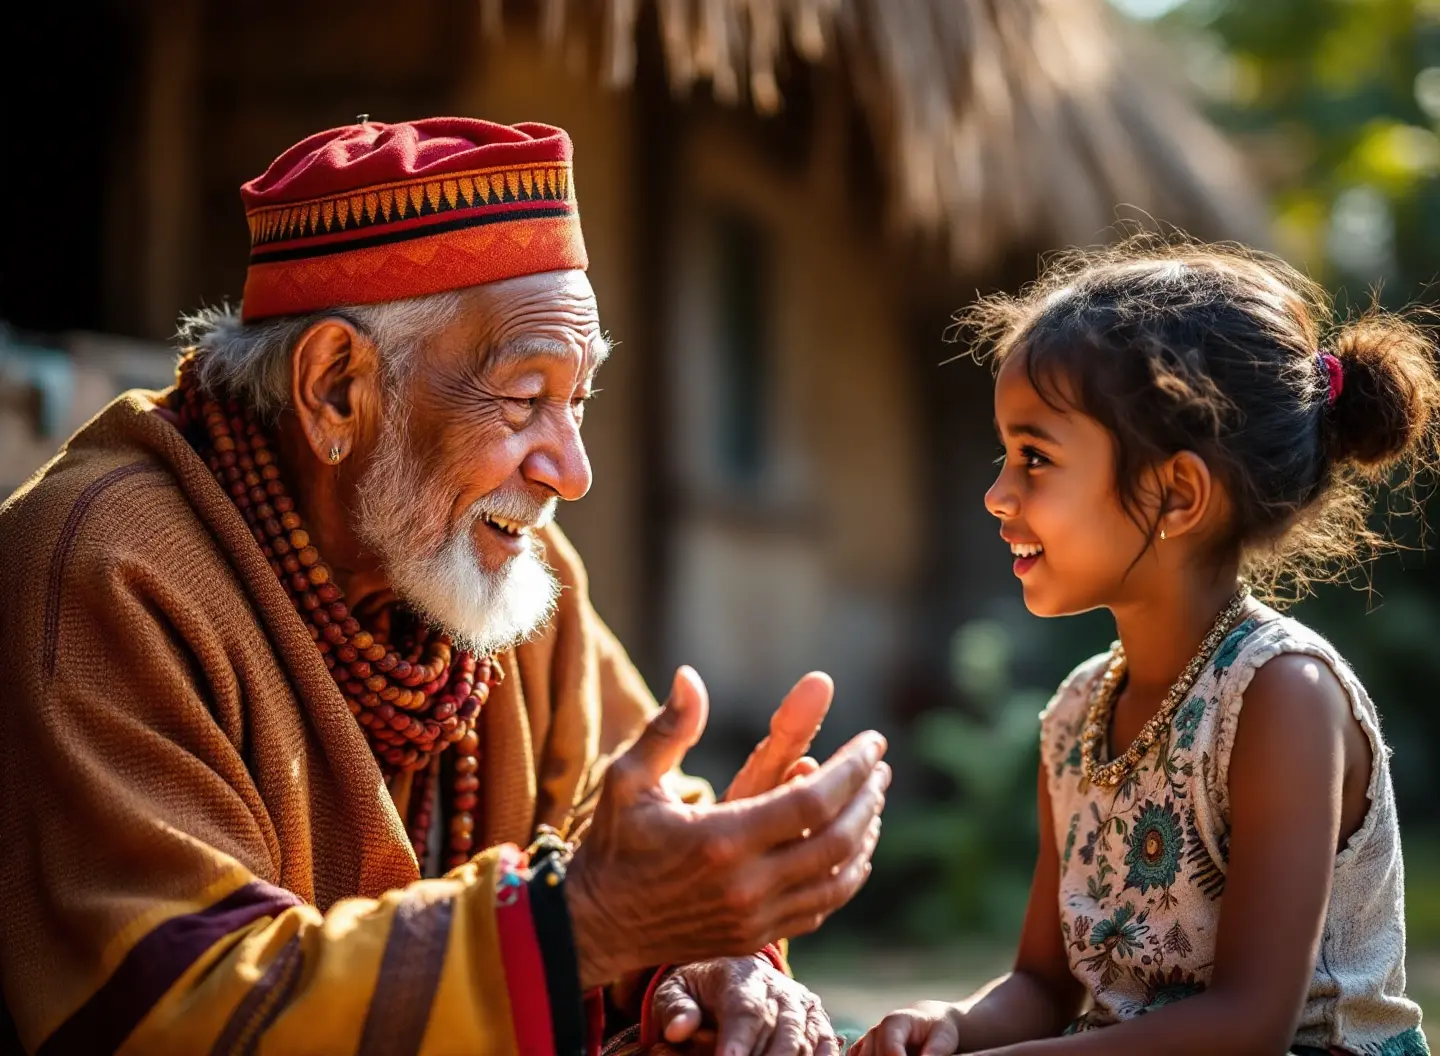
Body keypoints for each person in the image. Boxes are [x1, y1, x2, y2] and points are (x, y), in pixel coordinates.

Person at [0, 117, 890, 1056]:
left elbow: (632, 833)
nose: (572, 470)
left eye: (578, 401)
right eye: (522, 398)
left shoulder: (509, 579)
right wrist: (576, 926)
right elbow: (170, 1008)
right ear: (338, 387)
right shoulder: (102, 570)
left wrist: (708, 958)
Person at [854, 237, 1432, 1056]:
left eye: (1035, 458)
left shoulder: (1279, 697)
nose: (996, 494)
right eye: (1003, 455)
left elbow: (1248, 1026)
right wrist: (950, 1026)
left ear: (1177, 493)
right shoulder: (1079, 711)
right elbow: (1042, 987)